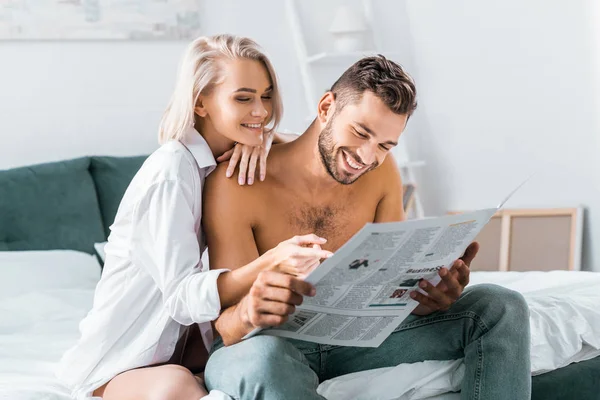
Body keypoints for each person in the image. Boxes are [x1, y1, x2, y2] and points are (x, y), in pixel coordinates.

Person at [201, 55, 532, 399]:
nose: (367, 157)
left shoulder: (381, 173)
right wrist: (249, 309)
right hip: (267, 342)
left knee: (500, 306)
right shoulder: (238, 184)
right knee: (262, 360)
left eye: (385, 146)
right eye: (361, 132)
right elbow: (224, 328)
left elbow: (391, 292)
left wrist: (430, 298)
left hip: (354, 343)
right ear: (327, 107)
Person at [55, 34, 332, 400]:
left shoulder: (228, 162)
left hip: (192, 353)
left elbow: (317, 155)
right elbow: (182, 298)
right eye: (243, 98)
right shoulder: (172, 171)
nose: (261, 111)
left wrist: (271, 139)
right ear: (201, 103)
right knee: (176, 389)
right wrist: (272, 261)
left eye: (266, 96)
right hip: (125, 363)